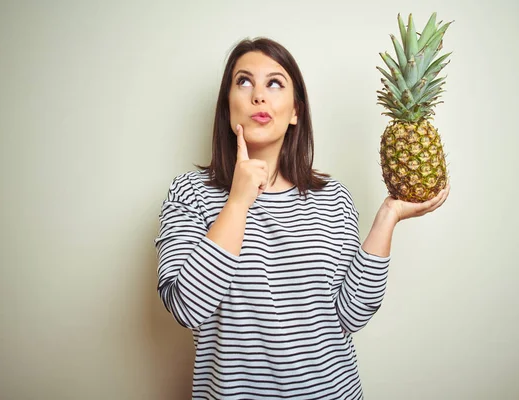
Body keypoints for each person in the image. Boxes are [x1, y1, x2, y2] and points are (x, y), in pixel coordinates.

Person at [154, 37, 449, 400]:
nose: (258, 96)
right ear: (227, 106)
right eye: (244, 82)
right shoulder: (190, 194)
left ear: (295, 110)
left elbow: (351, 316)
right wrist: (237, 202)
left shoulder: (334, 199)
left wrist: (388, 217)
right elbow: (186, 307)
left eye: (274, 83)